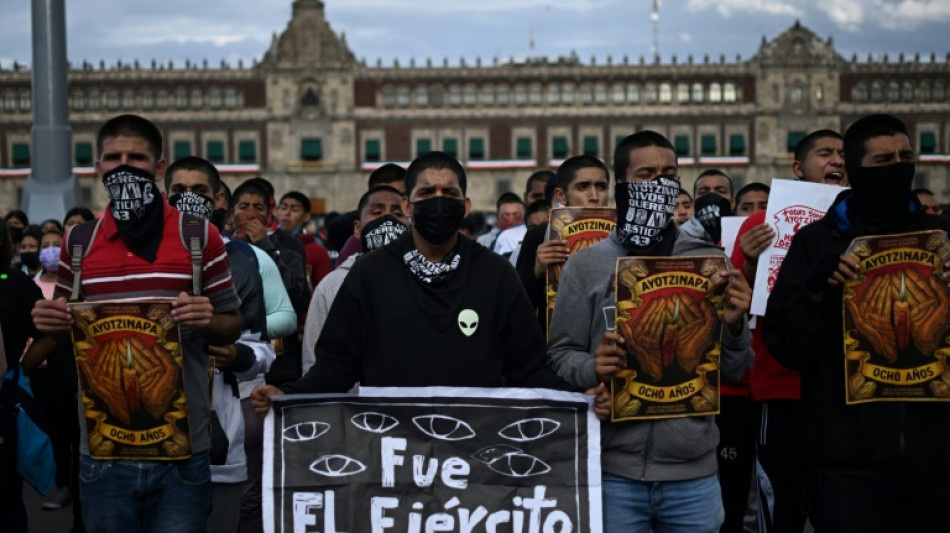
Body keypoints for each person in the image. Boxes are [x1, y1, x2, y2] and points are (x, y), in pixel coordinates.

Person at [29, 114, 242, 532]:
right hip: (103, 448)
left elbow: (232, 324)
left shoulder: (199, 237)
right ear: (98, 169)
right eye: (113, 157)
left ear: (159, 168)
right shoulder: (79, 241)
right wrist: (49, 320)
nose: (123, 166)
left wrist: (208, 318)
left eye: (137, 157)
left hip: (183, 447)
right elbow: (69, 330)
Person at [252, 151, 581, 409]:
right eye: (427, 192)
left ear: (465, 205)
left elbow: (528, 367)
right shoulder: (370, 272)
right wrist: (285, 393)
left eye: (448, 192)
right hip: (391, 449)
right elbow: (336, 365)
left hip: (473, 452)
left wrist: (580, 397)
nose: (438, 199)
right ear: (408, 205)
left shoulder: (496, 274)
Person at [547, 130, 754, 532]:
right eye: (647, 174)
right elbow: (560, 354)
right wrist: (593, 367)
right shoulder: (585, 264)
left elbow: (736, 368)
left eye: (670, 174)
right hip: (613, 473)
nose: (661, 183)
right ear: (623, 185)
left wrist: (733, 327)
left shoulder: (710, 262)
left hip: (695, 477)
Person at [762, 114, 950, 532]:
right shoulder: (816, 241)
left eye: (906, 157)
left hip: (936, 459)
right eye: (884, 161)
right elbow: (788, 347)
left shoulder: (943, 236)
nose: (899, 168)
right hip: (848, 464)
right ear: (854, 168)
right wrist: (816, 293)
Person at [735, 128, 846, 533]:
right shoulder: (761, 224)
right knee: (781, 503)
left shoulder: (867, 224)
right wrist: (748, 263)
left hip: (846, 388)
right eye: (825, 153)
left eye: (844, 153)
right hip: (780, 386)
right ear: (799, 167)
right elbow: (737, 306)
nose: (837, 160)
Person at [164, 156, 281, 533]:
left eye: (199, 192)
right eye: (178, 192)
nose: (188, 200)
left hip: (218, 423)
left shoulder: (244, 261)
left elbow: (262, 350)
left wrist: (235, 354)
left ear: (218, 201)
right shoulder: (140, 260)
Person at [301, 185, 408, 373]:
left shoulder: (427, 278)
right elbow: (314, 359)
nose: (387, 219)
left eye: (398, 214)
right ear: (357, 229)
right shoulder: (331, 286)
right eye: (377, 212)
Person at [516, 155, 611, 334]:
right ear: (561, 195)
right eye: (583, 187)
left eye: (601, 186)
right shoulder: (538, 236)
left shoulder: (622, 235)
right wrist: (537, 273)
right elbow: (516, 307)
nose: (595, 196)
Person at [0, 223, 45, 533]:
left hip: (3, 404)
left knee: (5, 496)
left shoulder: (15, 284)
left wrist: (20, 371)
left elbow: (48, 335)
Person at [332, 163, 407, 267]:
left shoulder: (424, 239)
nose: (388, 216)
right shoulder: (354, 245)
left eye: (401, 196)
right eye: (377, 211)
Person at [276, 191, 332, 289]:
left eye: (295, 209)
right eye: (283, 208)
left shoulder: (318, 251)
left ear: (306, 216)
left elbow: (324, 289)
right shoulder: (267, 244)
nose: (287, 213)